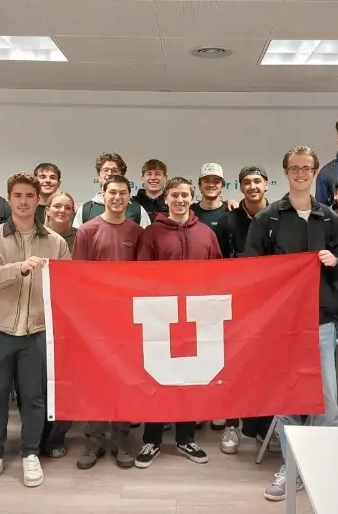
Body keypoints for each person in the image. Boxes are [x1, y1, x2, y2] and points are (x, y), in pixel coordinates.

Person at [245, 146, 338, 502]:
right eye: (295, 168)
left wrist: (334, 261)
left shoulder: (332, 220)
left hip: (320, 323)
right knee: (287, 397)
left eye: (307, 168)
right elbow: (252, 272)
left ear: (316, 172)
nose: (301, 173)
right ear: (286, 173)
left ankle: (320, 465)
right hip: (281, 326)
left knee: (326, 401)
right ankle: (291, 467)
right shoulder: (269, 219)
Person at [0, 172, 71, 490]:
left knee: (34, 398)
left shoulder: (55, 242)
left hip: (37, 331)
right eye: (18, 196)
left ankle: (30, 453)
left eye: (30, 196)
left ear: (38, 199)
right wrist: (20, 267)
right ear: (9, 198)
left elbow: (68, 285)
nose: (24, 201)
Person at [134, 176, 223, 469]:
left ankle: (185, 438)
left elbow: (218, 274)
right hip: (161, 317)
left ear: (192, 197)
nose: (180, 200)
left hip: (196, 318)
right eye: (175, 196)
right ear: (167, 199)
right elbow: (143, 277)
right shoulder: (152, 234)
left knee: (190, 379)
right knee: (158, 379)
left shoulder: (207, 234)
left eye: (185, 195)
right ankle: (152, 438)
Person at [73, 175, 144, 470]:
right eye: (111, 192)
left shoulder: (138, 232)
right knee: (96, 380)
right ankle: (95, 438)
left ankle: (121, 438)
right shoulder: (88, 231)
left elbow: (144, 278)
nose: (117, 197)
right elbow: (78, 278)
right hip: (95, 321)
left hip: (128, 319)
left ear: (129, 197)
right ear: (102, 195)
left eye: (122, 193)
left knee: (124, 378)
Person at [216, 165, 272, 454]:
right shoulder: (229, 220)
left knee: (264, 366)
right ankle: (231, 425)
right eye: (247, 182)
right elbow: (222, 262)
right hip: (236, 303)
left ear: (266, 185)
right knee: (234, 364)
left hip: (270, 303)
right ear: (240, 187)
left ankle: (262, 428)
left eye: (257, 181)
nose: (252, 186)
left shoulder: (277, 216)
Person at [36, 190, 76, 458]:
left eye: (67, 207)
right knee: (37, 383)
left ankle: (56, 437)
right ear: (47, 209)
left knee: (65, 380)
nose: (62, 211)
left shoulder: (80, 236)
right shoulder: (35, 234)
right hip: (38, 316)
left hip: (70, 318)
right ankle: (35, 437)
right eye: (57, 206)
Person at [73, 152, 150, 229]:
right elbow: (77, 238)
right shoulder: (85, 210)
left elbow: (146, 238)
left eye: (114, 170)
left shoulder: (138, 210)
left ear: (122, 175)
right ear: (98, 175)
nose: (110, 174)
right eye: (105, 170)